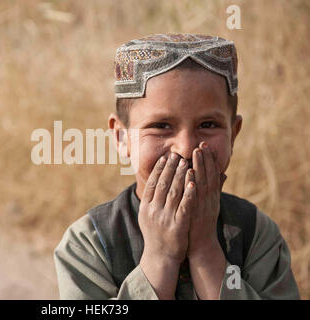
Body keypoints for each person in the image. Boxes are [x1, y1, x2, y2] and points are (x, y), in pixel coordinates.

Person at [53, 33, 300, 300]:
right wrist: (161, 257)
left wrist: (206, 251)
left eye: (208, 125)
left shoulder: (255, 234)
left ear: (234, 133)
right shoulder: (90, 242)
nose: (185, 147)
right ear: (121, 137)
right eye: (161, 126)